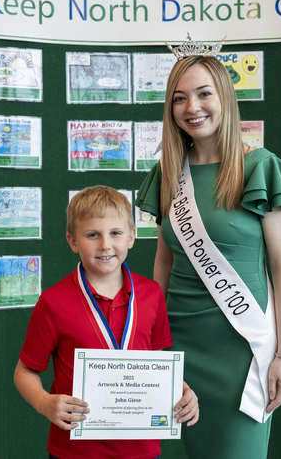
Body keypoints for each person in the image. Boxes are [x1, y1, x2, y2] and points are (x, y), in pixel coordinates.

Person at [136, 43, 281, 458]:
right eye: (179, 98)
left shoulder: (260, 167)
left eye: (203, 94)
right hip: (178, 343)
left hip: (242, 349)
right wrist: (152, 341)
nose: (192, 107)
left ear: (225, 98)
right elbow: (164, 259)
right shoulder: (167, 172)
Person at [14, 185, 199, 459]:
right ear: (73, 241)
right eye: (92, 234)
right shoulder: (53, 302)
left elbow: (157, 362)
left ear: (132, 236)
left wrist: (181, 390)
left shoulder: (151, 294)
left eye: (115, 233)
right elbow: (24, 371)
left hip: (143, 449)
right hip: (75, 451)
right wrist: (44, 402)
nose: (105, 245)